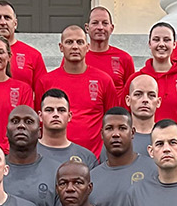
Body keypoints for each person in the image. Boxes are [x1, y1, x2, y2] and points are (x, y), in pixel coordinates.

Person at [38, 25, 119, 154]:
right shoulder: (46, 81)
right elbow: (40, 121)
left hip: (94, 157)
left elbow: (113, 119)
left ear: (87, 47)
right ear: (61, 47)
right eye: (69, 42)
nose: (75, 47)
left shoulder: (104, 80)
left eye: (80, 42)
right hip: (53, 156)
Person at [3, 105, 61, 206]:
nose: (21, 126)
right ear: (6, 131)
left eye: (29, 121)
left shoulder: (57, 172)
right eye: (15, 121)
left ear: (40, 132)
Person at [90, 108, 150, 206]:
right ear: (102, 134)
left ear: (132, 133)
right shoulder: (91, 179)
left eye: (122, 128)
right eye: (109, 128)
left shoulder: (152, 170)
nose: (116, 134)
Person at [36, 89, 99, 168]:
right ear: (40, 116)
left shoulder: (86, 157)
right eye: (49, 110)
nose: (56, 114)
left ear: (69, 116)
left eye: (61, 110)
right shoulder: (27, 153)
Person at [84, 5, 135, 90]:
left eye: (105, 23)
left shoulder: (125, 59)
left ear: (111, 28)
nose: (100, 27)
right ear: (87, 28)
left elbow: (132, 91)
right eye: (95, 23)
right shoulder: (77, 57)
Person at [126, 71, 162, 150]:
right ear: (128, 100)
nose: (145, 100)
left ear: (158, 102)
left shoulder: (167, 138)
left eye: (151, 95)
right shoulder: (117, 139)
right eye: (138, 94)